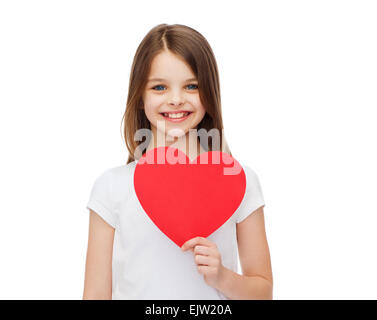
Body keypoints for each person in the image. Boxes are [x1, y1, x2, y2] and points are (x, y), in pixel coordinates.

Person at [83, 23, 273, 300]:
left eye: (192, 86)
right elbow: (96, 294)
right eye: (159, 87)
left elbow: (263, 292)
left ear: (209, 93)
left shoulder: (238, 180)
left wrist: (222, 277)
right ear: (140, 97)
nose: (176, 99)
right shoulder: (112, 186)